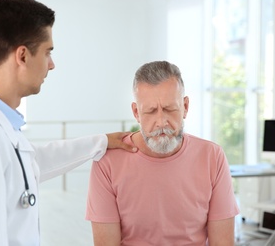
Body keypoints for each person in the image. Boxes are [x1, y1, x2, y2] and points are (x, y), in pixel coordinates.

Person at [0, 0, 136, 246]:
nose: (52, 64)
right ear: (23, 56)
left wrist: (101, 142)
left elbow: (29, 163)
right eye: (48, 51)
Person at [86, 61, 240, 245]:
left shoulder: (212, 156)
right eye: (150, 111)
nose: (161, 122)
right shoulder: (107, 162)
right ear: (136, 112)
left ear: (185, 107)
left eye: (169, 109)